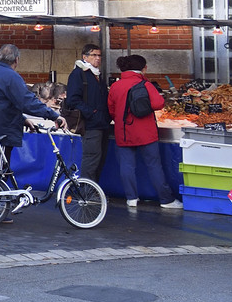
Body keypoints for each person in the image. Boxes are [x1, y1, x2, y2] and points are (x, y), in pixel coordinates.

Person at [0, 44, 63, 221]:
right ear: (17, 60)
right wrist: (53, 115)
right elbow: (27, 101)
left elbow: (1, 104)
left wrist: (22, 119)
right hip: (0, 132)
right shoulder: (10, 76)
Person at [108, 55, 182, 210]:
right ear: (143, 68)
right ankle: (166, 200)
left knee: (126, 166)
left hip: (124, 131)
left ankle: (131, 198)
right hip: (145, 132)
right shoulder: (145, 84)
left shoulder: (116, 86)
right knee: (154, 166)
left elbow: (111, 110)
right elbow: (159, 103)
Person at [64, 43, 108, 181]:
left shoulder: (97, 75)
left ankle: (94, 191)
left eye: (99, 55)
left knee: (99, 159)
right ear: (85, 57)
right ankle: (87, 193)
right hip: (90, 124)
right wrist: (92, 113)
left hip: (101, 123)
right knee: (91, 159)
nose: (98, 58)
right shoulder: (78, 74)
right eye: (94, 55)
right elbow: (72, 99)